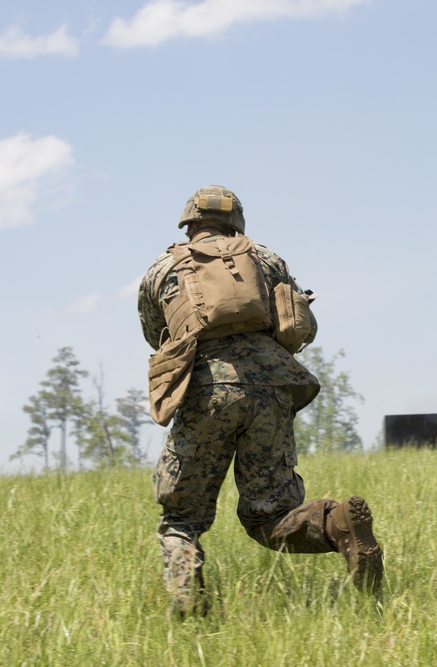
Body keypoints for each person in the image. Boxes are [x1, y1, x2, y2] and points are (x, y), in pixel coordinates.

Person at [138, 185, 383, 616]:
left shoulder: (161, 269)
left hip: (207, 390)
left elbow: (155, 333)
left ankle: (191, 612)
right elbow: (301, 327)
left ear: (189, 223)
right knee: (270, 515)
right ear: (238, 222)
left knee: (181, 519)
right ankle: (337, 522)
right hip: (272, 390)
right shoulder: (266, 259)